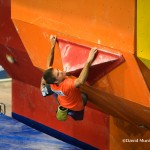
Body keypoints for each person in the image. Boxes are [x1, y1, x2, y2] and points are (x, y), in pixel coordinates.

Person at [40, 35, 97, 121]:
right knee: (84, 97)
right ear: (56, 80)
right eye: (59, 74)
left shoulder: (52, 83)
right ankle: (69, 113)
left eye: (58, 70)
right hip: (75, 107)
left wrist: (52, 45)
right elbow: (81, 80)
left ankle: (45, 91)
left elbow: (49, 65)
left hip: (62, 100)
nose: (62, 71)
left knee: (43, 92)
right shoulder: (68, 84)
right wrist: (88, 61)